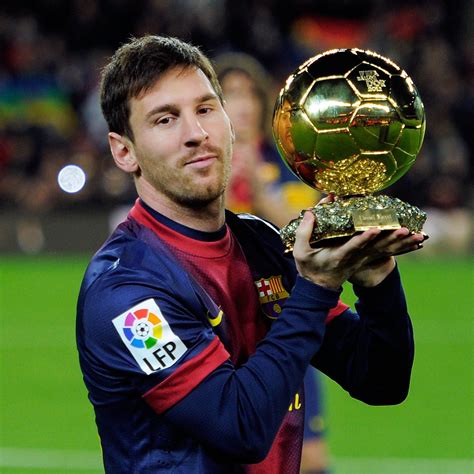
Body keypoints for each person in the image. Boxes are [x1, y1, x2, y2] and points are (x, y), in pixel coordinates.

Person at [76, 35, 425, 473]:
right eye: (165, 120)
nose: (196, 134)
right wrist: (316, 287)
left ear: (230, 122)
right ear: (124, 151)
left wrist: (376, 281)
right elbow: (240, 427)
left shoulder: (260, 245)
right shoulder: (126, 292)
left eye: (205, 109)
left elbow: (382, 380)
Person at [216, 53, 330, 473]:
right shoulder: (200, 168)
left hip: (285, 320)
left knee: (310, 457)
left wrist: (259, 187)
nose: (242, 104)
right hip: (223, 323)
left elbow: (305, 230)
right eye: (229, 94)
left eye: (249, 94)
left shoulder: (289, 164)